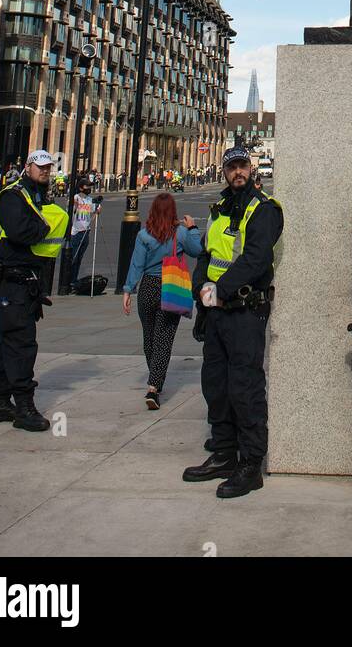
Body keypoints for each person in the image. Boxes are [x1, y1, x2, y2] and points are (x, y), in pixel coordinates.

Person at [182, 146, 283, 499]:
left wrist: (220, 290)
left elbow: (256, 258)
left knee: (245, 387)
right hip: (215, 312)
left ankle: (250, 463)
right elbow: (207, 255)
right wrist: (200, 290)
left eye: (242, 166)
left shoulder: (264, 209)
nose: (237, 172)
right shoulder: (219, 210)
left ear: (251, 169)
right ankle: (224, 452)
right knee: (216, 385)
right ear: (224, 172)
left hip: (243, 310)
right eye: (231, 167)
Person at [0, 148, 70, 430]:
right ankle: (24, 406)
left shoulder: (35, 196)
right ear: (27, 167)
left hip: (25, 278)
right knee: (22, 341)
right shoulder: (12, 195)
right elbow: (21, 232)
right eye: (40, 167)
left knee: (9, 340)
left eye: (48, 167)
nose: (45, 171)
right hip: (10, 277)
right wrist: (43, 226)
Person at [122, 194, 202, 409]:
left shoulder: (143, 235)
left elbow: (136, 264)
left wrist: (128, 290)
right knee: (163, 340)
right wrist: (193, 227)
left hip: (148, 286)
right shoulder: (181, 233)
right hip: (170, 286)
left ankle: (155, 378)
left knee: (149, 338)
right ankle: (154, 387)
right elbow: (198, 251)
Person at [68, 178, 101, 288]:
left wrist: (98, 207)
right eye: (87, 186)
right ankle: (69, 280)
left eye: (90, 186)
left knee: (79, 259)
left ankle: (74, 279)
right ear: (81, 188)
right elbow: (71, 207)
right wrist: (76, 204)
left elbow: (95, 209)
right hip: (76, 232)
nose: (89, 188)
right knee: (73, 258)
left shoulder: (89, 199)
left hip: (86, 232)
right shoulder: (75, 198)